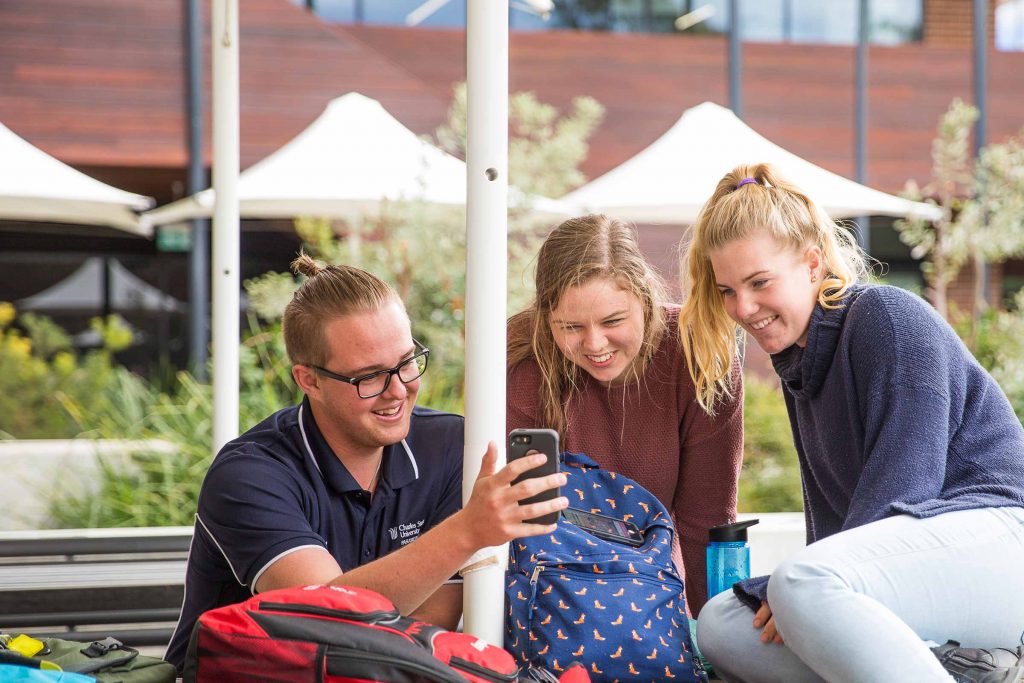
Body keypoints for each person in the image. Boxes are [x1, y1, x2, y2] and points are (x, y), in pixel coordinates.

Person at [682, 163, 1024, 682]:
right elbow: (835, 529)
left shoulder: (885, 317)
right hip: (910, 566)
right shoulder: (803, 365)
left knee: (797, 583)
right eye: (727, 290)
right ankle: (957, 669)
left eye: (759, 282)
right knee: (723, 624)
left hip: (998, 545)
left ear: (813, 262)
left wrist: (797, 592)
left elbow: (904, 488)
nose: (744, 308)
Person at [165, 255, 568, 672]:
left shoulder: (451, 447)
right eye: (369, 376)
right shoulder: (248, 474)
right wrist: (465, 533)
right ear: (310, 380)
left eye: (407, 361)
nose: (399, 390)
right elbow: (324, 619)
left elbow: (432, 622)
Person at [506, 214, 744, 614]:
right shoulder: (519, 354)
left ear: (646, 295)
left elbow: (707, 519)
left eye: (613, 321)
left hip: (652, 595)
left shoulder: (700, 354)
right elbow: (511, 517)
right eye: (570, 327)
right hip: (548, 596)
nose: (595, 343)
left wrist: (716, 638)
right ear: (546, 318)